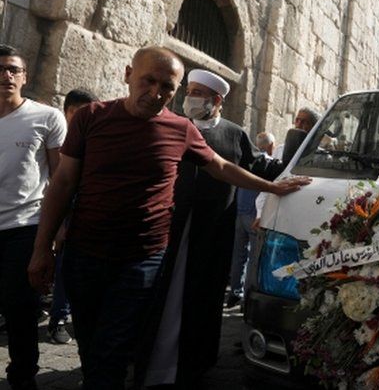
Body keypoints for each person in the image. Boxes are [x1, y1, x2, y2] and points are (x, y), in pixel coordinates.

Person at [26, 47, 309, 390]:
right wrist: (43, 247)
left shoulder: (181, 130)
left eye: (167, 87)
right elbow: (63, 183)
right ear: (128, 74)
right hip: (86, 252)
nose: (156, 93)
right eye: (148, 81)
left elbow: (221, 167)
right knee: (91, 342)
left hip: (143, 260)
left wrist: (272, 187)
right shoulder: (91, 118)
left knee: (113, 350)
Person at [143, 69, 289, 386]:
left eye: (197, 92)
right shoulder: (173, 125)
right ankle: (152, 360)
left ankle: (196, 361)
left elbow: (263, 166)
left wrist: (296, 168)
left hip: (213, 231)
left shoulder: (234, 134)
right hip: (170, 227)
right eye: (189, 90)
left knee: (204, 295)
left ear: (216, 100)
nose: (189, 97)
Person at [0, 44, 67, 390]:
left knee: (20, 311)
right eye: (0, 69)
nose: (6, 75)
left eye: (13, 69)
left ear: (24, 76)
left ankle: (23, 377)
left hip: (24, 229)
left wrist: (58, 233)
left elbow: (60, 178)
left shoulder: (47, 117)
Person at [47, 89, 99, 346]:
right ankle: (58, 319)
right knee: (63, 269)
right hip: (61, 211)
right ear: (66, 112)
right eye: (76, 113)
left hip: (88, 212)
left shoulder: (98, 141)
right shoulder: (58, 141)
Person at [226, 130, 278, 309]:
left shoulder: (247, 162)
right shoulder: (268, 165)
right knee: (254, 259)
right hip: (255, 217)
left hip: (240, 214)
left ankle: (234, 292)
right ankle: (247, 298)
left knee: (238, 255)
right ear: (271, 146)